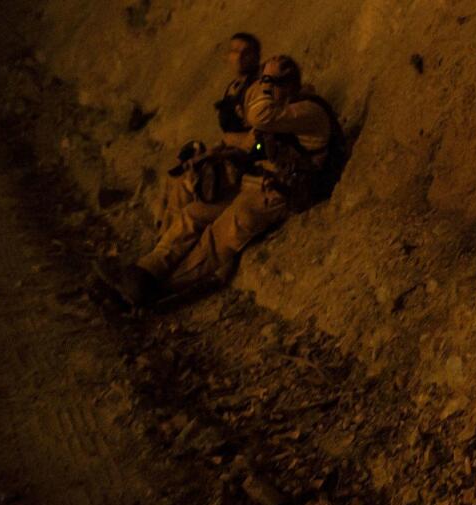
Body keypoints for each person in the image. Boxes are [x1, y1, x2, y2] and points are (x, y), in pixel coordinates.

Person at [110, 54, 341, 305]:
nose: (263, 87)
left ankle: (160, 288)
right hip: (254, 186)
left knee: (218, 238)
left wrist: (264, 84)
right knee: (193, 214)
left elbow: (260, 116)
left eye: (268, 81)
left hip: (276, 195)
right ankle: (146, 270)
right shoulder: (284, 112)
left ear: (284, 85)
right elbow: (256, 143)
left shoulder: (308, 111)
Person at [133, 33, 264, 294]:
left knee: (194, 213)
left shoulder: (257, 92)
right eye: (234, 51)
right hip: (230, 163)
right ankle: (157, 256)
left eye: (245, 52)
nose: (238, 57)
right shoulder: (234, 88)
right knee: (180, 187)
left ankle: (153, 274)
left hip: (246, 175)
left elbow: (259, 142)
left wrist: (229, 146)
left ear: (256, 57)